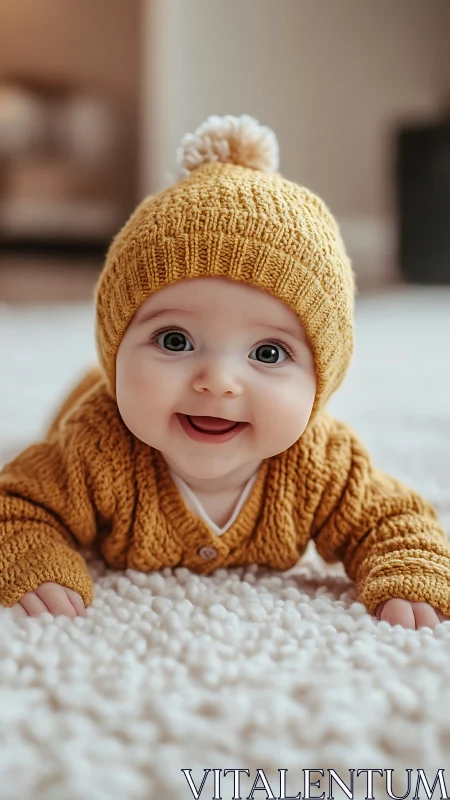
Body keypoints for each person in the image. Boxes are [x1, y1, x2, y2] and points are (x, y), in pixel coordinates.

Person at [1, 114, 449, 630]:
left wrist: (410, 568)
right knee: (70, 413)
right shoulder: (93, 447)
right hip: (87, 402)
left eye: (268, 353)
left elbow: (394, 519)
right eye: (175, 341)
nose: (217, 380)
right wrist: (34, 561)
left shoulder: (321, 464)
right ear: (115, 348)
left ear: (323, 380)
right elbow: (17, 507)